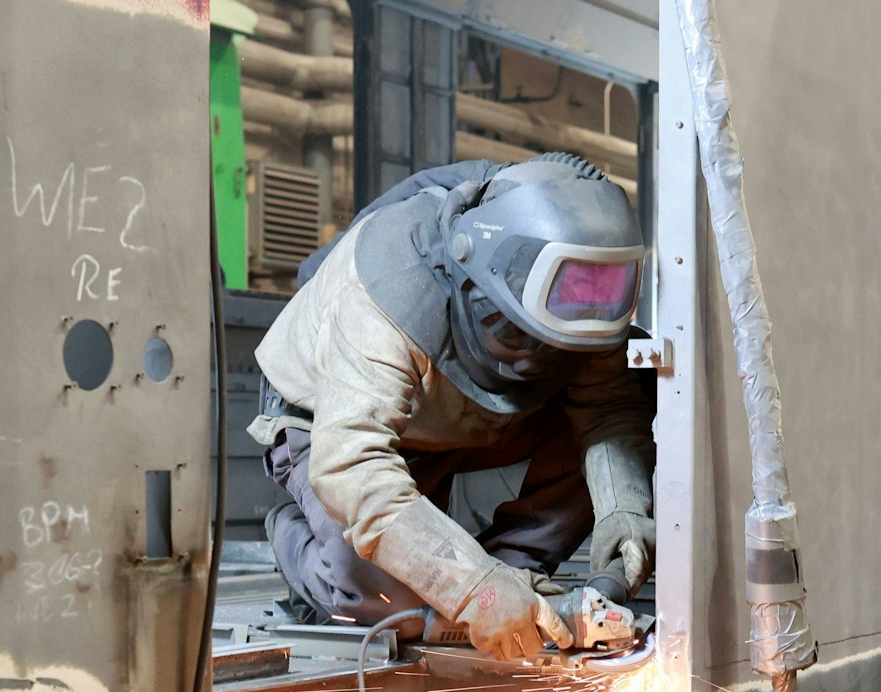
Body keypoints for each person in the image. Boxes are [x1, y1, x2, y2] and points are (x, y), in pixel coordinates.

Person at [248, 153, 655, 662]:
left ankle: (517, 567)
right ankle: (292, 534)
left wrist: (623, 511)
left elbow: (609, 409)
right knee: (385, 600)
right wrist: (472, 588)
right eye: (522, 335)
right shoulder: (387, 288)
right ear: (475, 281)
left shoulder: (580, 290)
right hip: (329, 424)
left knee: (634, 385)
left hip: (460, 416)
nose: (546, 357)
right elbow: (354, 466)